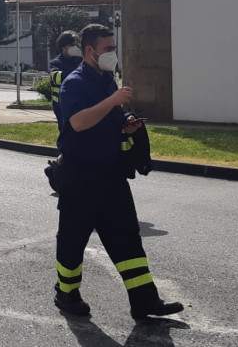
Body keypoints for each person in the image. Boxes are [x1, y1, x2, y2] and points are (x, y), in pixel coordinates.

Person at [52, 24, 184, 320]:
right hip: (80, 176)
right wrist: (113, 102)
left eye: (114, 48)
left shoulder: (107, 80)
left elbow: (109, 117)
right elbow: (78, 123)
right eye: (107, 49)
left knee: (127, 236)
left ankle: (144, 301)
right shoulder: (75, 83)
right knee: (73, 239)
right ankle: (66, 293)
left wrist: (125, 121)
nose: (113, 54)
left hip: (110, 174)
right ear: (89, 51)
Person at [48, 30, 83, 124]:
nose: (75, 47)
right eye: (72, 45)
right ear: (63, 46)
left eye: (77, 45)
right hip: (61, 106)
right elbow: (57, 79)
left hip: (78, 103)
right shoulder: (55, 63)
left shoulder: (80, 60)